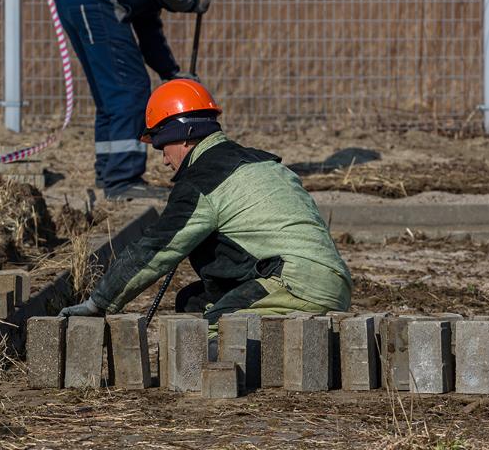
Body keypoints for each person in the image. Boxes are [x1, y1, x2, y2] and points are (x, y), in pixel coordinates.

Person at [59, 80, 353, 344]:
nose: (164, 160)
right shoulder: (258, 162)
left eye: (162, 145)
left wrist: (99, 302)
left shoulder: (203, 180)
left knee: (214, 335)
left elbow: (155, 249)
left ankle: (245, 372)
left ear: (184, 135)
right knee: (191, 302)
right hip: (331, 282)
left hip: (294, 285)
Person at [54, 0, 214, 201]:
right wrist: (192, 2)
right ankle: (124, 181)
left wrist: (172, 73)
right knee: (130, 89)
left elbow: (148, 29)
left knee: (111, 94)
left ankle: (108, 174)